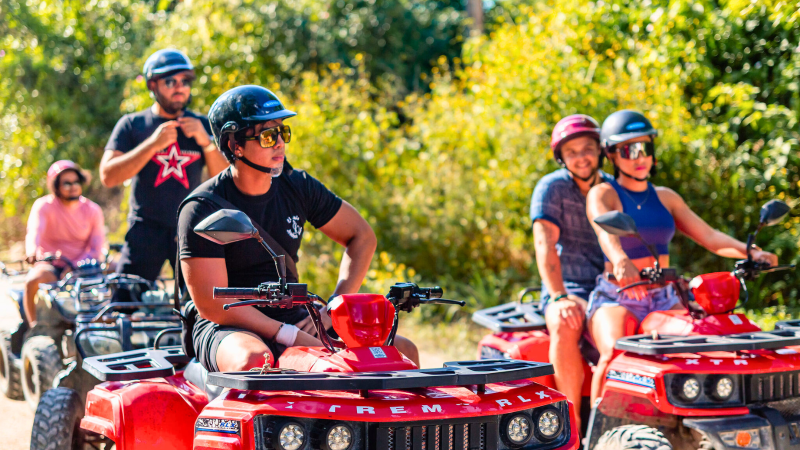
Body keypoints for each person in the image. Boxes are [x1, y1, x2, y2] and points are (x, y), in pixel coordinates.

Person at [178, 85, 419, 373]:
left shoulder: (297, 185)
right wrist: (287, 335)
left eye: (284, 132)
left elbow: (362, 237)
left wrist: (332, 310)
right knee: (254, 360)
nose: (280, 142)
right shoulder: (202, 207)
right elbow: (211, 305)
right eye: (268, 135)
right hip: (228, 324)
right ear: (234, 145)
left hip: (294, 312)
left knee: (402, 351)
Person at [585, 109, 778, 404]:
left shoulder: (666, 197)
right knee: (613, 352)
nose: (639, 157)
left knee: (696, 347)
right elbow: (605, 232)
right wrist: (620, 258)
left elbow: (710, 237)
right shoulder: (603, 193)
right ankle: (595, 437)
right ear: (611, 155)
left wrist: (752, 252)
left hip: (663, 296)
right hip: (618, 294)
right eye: (629, 149)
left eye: (645, 148)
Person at [100, 49, 228, 283]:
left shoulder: (203, 124)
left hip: (193, 228)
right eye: (170, 81)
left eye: (185, 81)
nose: (179, 87)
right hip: (145, 229)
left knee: (200, 310)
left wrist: (207, 143)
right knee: (124, 303)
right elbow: (108, 176)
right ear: (152, 85)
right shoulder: (132, 124)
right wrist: (152, 145)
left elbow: (224, 180)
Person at [530, 114, 611, 429]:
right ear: (561, 157)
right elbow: (544, 245)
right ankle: (571, 422)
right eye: (572, 152)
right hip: (568, 286)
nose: (581, 157)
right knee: (565, 322)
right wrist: (559, 295)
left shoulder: (611, 187)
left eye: (587, 148)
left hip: (609, 287)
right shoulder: (551, 187)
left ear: (600, 150)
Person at [24, 160, 106, 326]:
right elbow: (34, 232)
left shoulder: (93, 210)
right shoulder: (43, 206)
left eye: (76, 182)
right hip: (51, 265)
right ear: (56, 186)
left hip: (84, 266)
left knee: (118, 273)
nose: (73, 186)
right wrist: (31, 251)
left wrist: (75, 266)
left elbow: (97, 248)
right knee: (33, 280)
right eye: (67, 183)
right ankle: (33, 327)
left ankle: (107, 323)